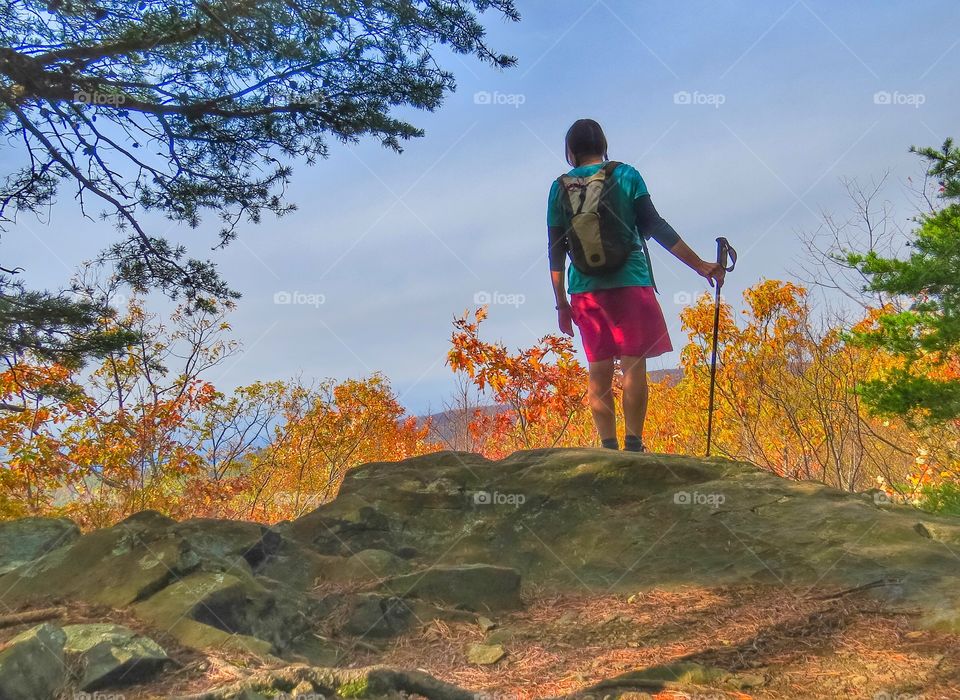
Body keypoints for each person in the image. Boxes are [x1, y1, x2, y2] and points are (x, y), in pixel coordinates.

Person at [546, 118, 725, 452]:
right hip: (631, 282)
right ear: (604, 146)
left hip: (585, 290)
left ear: (570, 151)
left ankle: (608, 447)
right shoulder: (627, 175)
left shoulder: (559, 188)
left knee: (598, 370)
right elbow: (655, 226)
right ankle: (634, 445)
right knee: (633, 366)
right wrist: (700, 264)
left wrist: (561, 304)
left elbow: (555, 252)